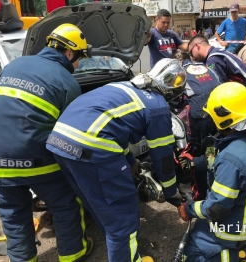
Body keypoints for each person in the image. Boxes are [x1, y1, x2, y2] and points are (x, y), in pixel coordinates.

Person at [45, 58, 187, 261]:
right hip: (90, 145)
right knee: (123, 219)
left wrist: (131, 162)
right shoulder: (158, 107)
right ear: (173, 91)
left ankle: (118, 247)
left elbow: (111, 128)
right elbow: (163, 157)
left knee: (100, 207)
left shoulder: (123, 86)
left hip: (59, 141)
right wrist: (171, 192)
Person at [0, 24, 93, 262]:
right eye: (79, 59)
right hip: (38, 159)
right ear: (69, 53)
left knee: (13, 212)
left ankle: (23, 259)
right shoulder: (66, 81)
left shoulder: (13, 66)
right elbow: (71, 131)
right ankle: (74, 254)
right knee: (66, 204)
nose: (78, 65)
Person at [177, 82, 246, 261]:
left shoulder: (231, 160)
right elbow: (243, 173)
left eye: (212, 116)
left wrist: (188, 209)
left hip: (232, 230)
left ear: (225, 119)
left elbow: (216, 209)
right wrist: (205, 163)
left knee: (191, 250)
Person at [173, 50, 221, 201]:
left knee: (196, 152)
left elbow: (175, 100)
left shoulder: (180, 73)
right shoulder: (207, 67)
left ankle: (199, 191)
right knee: (211, 148)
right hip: (217, 112)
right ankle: (214, 180)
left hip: (199, 117)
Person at [188, 34, 246, 111]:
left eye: (191, 53)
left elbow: (218, 87)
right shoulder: (219, 52)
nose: (192, 57)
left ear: (197, 46)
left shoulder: (213, 59)